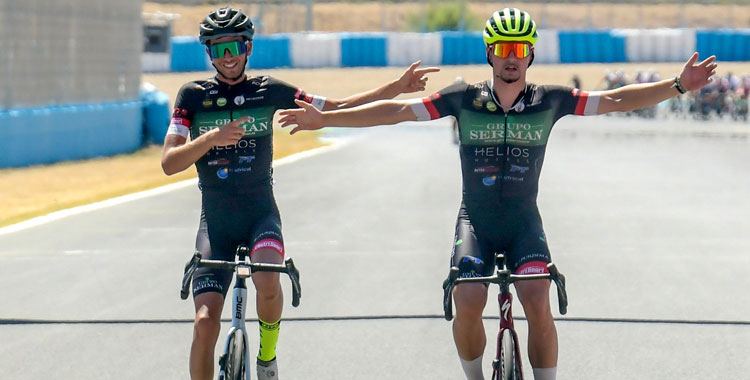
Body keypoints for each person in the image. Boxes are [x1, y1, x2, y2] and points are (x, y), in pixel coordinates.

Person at [278, 7, 717, 380]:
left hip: (524, 222)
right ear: (490, 52)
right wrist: (327, 119)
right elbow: (394, 112)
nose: (512, 58)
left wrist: (677, 86)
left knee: (537, 298)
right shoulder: (462, 98)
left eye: (520, 49)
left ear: (530, 54)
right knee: (467, 299)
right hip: (477, 222)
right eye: (503, 49)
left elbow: (618, 99)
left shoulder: (552, 100)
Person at [160, 7, 438, 380]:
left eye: (235, 47)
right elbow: (169, 161)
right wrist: (211, 138)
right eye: (218, 49)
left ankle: (267, 357)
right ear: (208, 53)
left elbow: (335, 107)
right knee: (204, 323)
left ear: (248, 47)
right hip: (216, 226)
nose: (228, 58)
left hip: (261, 216)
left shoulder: (269, 90)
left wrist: (394, 87)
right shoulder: (191, 97)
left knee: (269, 281)